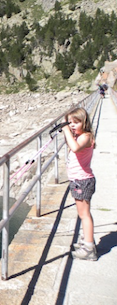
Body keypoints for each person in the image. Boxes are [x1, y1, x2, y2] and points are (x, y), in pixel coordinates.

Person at [63, 107, 97, 261]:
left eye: (75, 123)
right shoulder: (80, 136)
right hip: (79, 180)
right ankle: (86, 241)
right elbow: (71, 145)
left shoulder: (86, 137)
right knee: (83, 213)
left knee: (84, 215)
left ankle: (89, 249)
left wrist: (65, 130)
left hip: (82, 181)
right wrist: (67, 132)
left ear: (84, 122)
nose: (72, 126)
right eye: (69, 123)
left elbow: (75, 148)